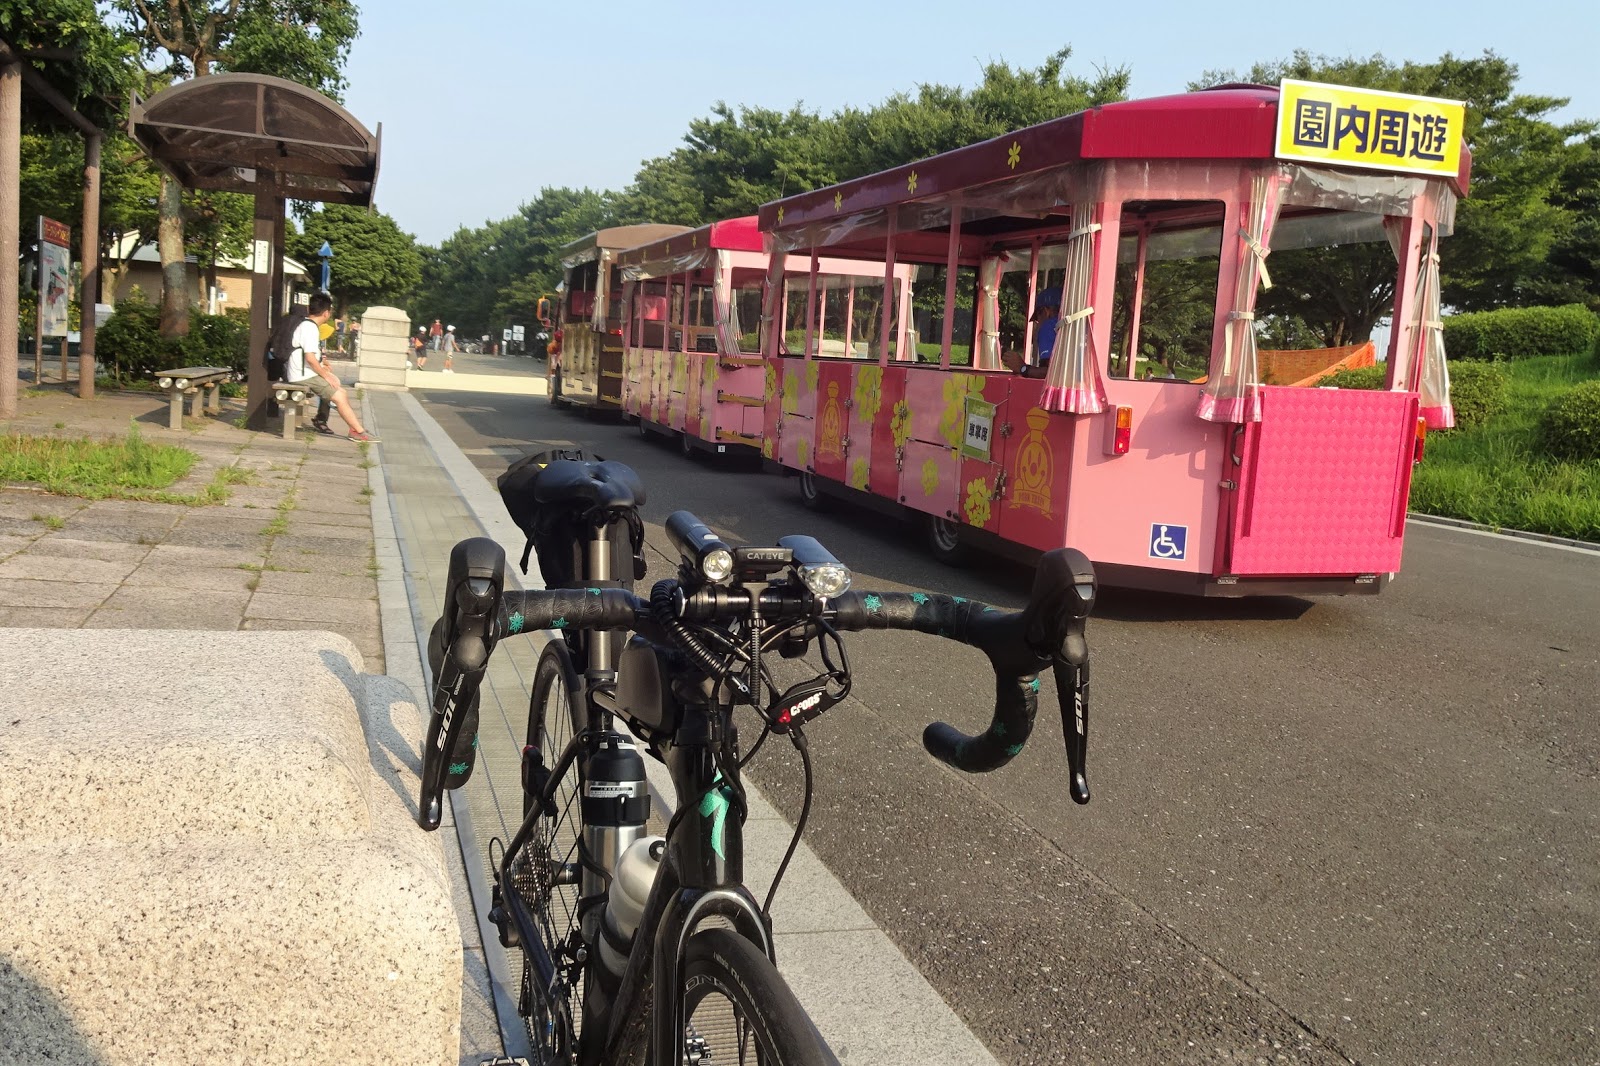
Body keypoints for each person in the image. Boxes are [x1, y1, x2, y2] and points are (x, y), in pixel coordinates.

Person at [281, 292, 379, 443]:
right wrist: (325, 375)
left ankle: (349, 427)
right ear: (326, 313)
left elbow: (311, 357)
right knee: (339, 395)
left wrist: (324, 367)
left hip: (304, 373)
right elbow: (310, 358)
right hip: (302, 376)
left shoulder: (307, 325)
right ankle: (358, 432)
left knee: (341, 391)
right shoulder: (310, 328)